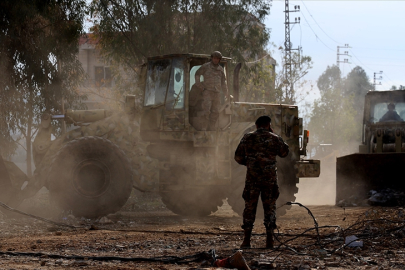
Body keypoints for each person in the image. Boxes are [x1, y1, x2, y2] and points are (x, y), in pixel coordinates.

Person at [234, 116, 289, 249]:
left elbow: (238, 157)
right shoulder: (274, 138)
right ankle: (269, 241)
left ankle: (246, 241)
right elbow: (284, 153)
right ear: (268, 125)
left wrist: (249, 163)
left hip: (252, 180)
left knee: (249, 209)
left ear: (256, 125)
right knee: (269, 209)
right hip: (269, 181)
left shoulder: (247, 137)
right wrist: (274, 134)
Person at [194, 51, 229, 130]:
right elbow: (197, 74)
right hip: (208, 92)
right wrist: (200, 86)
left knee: (216, 112)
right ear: (212, 58)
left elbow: (223, 83)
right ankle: (204, 128)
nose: (215, 60)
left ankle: (212, 128)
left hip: (217, 93)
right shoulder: (206, 66)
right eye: (214, 58)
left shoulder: (220, 69)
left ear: (219, 60)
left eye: (217, 59)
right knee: (206, 111)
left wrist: (226, 93)